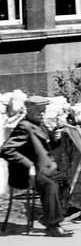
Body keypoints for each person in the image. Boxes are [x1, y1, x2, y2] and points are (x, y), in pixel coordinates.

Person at [1, 96, 73, 237]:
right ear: (28, 110)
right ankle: (53, 226)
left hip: (45, 168)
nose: (42, 113)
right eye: (38, 110)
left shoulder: (40, 125)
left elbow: (45, 148)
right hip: (27, 173)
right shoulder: (24, 126)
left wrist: (55, 139)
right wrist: (29, 165)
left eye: (43, 110)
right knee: (50, 184)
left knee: (64, 182)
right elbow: (6, 149)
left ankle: (47, 217)